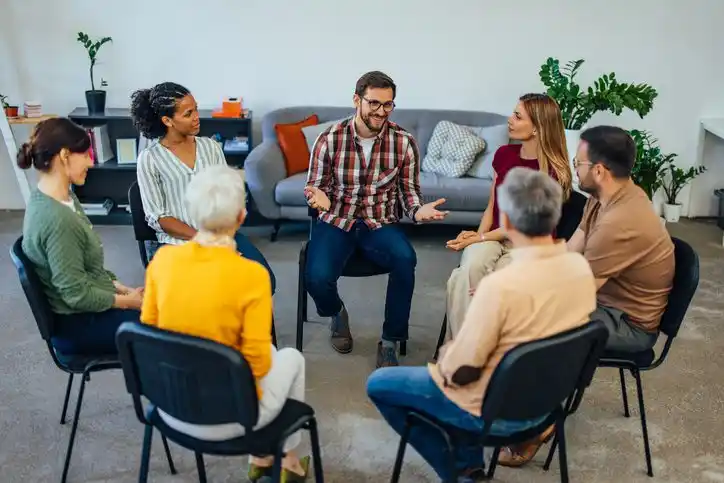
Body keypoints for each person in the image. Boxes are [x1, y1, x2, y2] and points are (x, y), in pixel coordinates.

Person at [366, 168, 597, 481]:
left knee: (380, 384)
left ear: (510, 222)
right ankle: (469, 463)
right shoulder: (580, 272)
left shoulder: (499, 286)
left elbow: (459, 372)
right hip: (546, 408)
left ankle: (460, 472)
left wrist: (453, 349)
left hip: (498, 413)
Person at [498, 126, 675, 468]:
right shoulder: (603, 197)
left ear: (599, 170)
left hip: (629, 323)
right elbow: (571, 249)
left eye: (578, 163)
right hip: (605, 301)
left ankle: (538, 423)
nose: (573, 169)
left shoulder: (621, 221)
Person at [140, 164, 309, 482]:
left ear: (192, 215)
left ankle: (266, 456)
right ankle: (282, 457)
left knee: (264, 354)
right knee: (290, 358)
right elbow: (257, 364)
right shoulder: (251, 275)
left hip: (168, 405)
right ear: (241, 217)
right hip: (232, 416)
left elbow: (149, 332)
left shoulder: (162, 261)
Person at [304, 70, 448, 368]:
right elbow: (314, 185)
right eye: (374, 103)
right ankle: (336, 312)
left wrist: (417, 211)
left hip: (379, 222)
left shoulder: (403, 142)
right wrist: (318, 197)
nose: (381, 111)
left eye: (388, 104)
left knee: (405, 259)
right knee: (316, 277)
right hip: (336, 220)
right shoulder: (329, 139)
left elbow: (409, 192)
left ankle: (390, 340)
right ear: (357, 100)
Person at [444, 93, 573, 339]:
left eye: (517, 116)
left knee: (483, 281)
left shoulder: (553, 171)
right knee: (470, 269)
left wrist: (478, 239)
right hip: (494, 235)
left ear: (537, 128)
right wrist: (478, 236)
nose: (510, 120)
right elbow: (493, 204)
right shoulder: (504, 154)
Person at [130, 81, 276, 292]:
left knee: (263, 281)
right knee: (210, 292)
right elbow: (158, 217)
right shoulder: (150, 159)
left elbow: (225, 194)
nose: (197, 116)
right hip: (177, 243)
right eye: (188, 113)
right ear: (167, 120)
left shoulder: (211, 147)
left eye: (196, 108)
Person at [18, 117, 143, 355]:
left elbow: (87, 270)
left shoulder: (59, 198)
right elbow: (76, 295)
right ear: (65, 156)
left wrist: (122, 289)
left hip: (84, 308)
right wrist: (130, 302)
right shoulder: (57, 220)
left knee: (160, 313)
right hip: (77, 324)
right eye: (86, 154)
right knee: (165, 330)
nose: (91, 161)